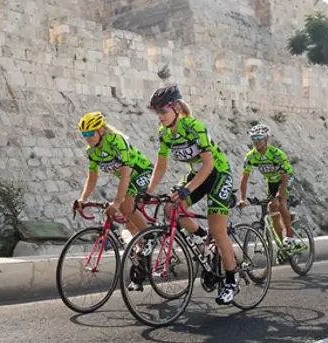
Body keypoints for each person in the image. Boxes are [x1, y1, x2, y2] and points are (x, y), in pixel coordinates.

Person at [144, 85, 240, 305]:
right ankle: (202, 238)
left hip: (217, 173)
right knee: (170, 209)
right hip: (196, 174)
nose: (159, 117)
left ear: (177, 108)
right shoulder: (164, 133)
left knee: (219, 230)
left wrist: (187, 189)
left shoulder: (195, 127)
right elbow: (160, 166)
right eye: (156, 112)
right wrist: (147, 192)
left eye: (163, 111)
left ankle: (232, 280)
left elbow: (208, 165)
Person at [73, 111, 154, 242]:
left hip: (142, 172)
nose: (87, 138)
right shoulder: (92, 151)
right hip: (128, 178)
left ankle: (150, 238)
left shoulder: (116, 142)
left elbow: (125, 176)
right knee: (129, 225)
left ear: (100, 130)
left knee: (124, 206)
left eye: (90, 133)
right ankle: (141, 253)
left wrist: (117, 202)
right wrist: (82, 199)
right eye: (84, 134)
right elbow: (92, 177)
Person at [237, 124, 303, 251]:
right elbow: (244, 179)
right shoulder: (250, 157)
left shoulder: (277, 154)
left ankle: (289, 236)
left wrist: (279, 196)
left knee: (281, 204)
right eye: (253, 139)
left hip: (286, 179)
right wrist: (242, 199)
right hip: (272, 182)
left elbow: (284, 179)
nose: (256, 143)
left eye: (259, 139)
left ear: (266, 138)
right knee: (272, 212)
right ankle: (282, 245)